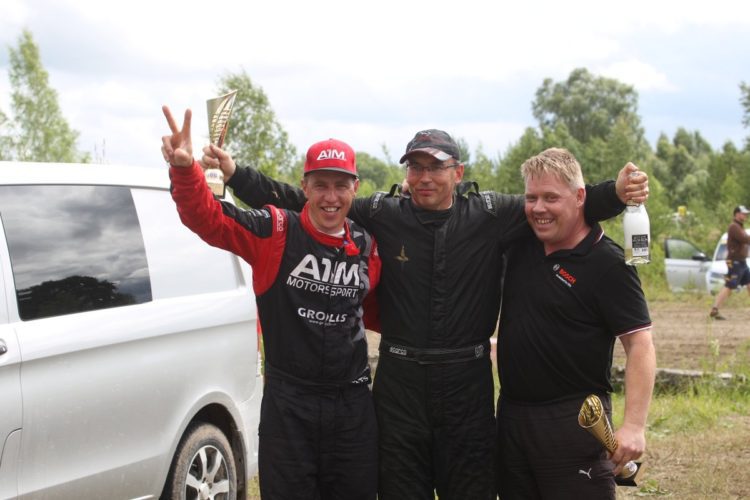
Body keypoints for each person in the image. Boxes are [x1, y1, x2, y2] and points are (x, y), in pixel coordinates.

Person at [204, 129, 648, 500]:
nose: (424, 177)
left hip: (467, 384)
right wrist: (237, 174)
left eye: (435, 167)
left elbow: (561, 203)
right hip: (400, 384)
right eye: (415, 167)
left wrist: (616, 193)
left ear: (458, 173)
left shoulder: (492, 214)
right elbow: (306, 200)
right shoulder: (382, 213)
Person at [160, 106, 381, 500]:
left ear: (355, 188)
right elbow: (209, 219)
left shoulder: (367, 245)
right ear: (305, 187)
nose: (331, 197)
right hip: (290, 406)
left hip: (352, 407)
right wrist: (184, 170)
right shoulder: (276, 230)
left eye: (340, 185)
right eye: (320, 185)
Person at [495, 148, 656, 499]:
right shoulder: (522, 244)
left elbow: (640, 344)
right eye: (531, 198)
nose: (538, 208)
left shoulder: (608, 263)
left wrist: (633, 426)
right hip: (511, 418)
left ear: (580, 197)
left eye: (551, 198)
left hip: (575, 422)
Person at [709, 205, 750, 320]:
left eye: (746, 214)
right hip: (735, 262)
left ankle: (715, 309)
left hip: (741, 262)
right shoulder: (734, 227)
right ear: (736, 214)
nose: (745, 216)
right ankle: (715, 309)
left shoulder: (739, 227)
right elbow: (745, 239)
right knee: (729, 286)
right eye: (743, 214)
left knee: (749, 284)